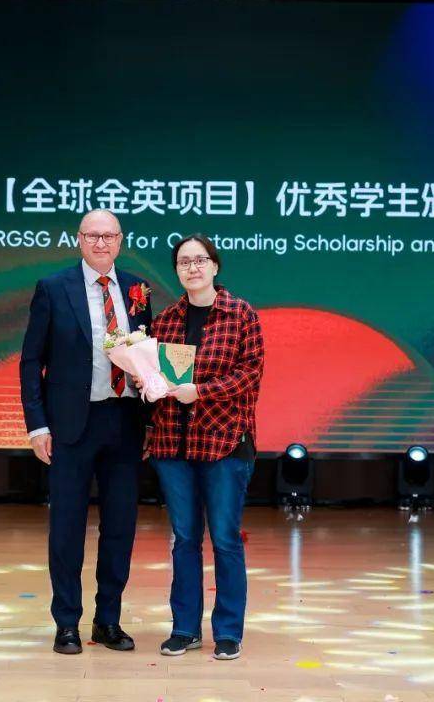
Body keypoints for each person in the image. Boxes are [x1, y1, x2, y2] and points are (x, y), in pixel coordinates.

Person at [19, 209, 154, 654]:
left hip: (125, 422)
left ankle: (108, 620)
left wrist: (150, 405)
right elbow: (31, 362)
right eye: (92, 235)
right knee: (66, 528)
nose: (101, 243)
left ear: (120, 241)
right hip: (70, 425)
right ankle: (66, 622)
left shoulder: (137, 290)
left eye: (109, 236)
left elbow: (147, 355)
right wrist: (38, 425)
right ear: (79, 239)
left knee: (120, 527)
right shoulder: (53, 288)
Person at [144, 233, 265, 660]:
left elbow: (250, 374)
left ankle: (228, 632)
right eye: (183, 262)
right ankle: (184, 628)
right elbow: (156, 376)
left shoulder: (241, 314)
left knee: (226, 540)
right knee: (184, 539)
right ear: (176, 271)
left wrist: (201, 392)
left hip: (224, 443)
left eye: (199, 260)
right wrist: (147, 381)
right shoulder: (166, 320)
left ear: (215, 266)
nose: (192, 268)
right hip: (173, 445)